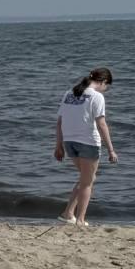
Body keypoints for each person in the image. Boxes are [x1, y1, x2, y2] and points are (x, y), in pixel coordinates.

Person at [54, 67, 117, 226]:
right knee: (87, 182)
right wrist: (111, 149)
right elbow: (101, 124)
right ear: (103, 82)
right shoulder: (97, 97)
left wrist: (58, 145)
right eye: (106, 86)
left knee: (86, 178)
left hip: (69, 143)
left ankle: (68, 213)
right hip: (88, 142)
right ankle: (80, 220)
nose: (106, 89)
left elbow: (60, 122)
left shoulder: (69, 93)